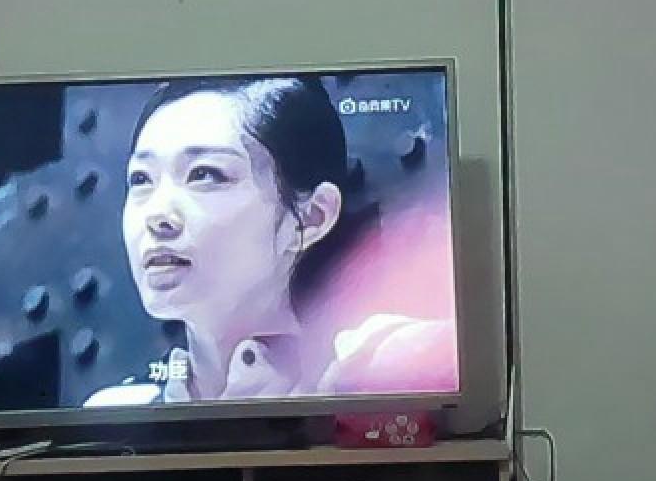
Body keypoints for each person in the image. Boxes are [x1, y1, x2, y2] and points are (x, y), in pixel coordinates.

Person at [85, 74, 457, 406]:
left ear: (312, 217)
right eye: (141, 180)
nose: (157, 215)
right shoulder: (118, 412)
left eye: (205, 174)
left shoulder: (383, 368)